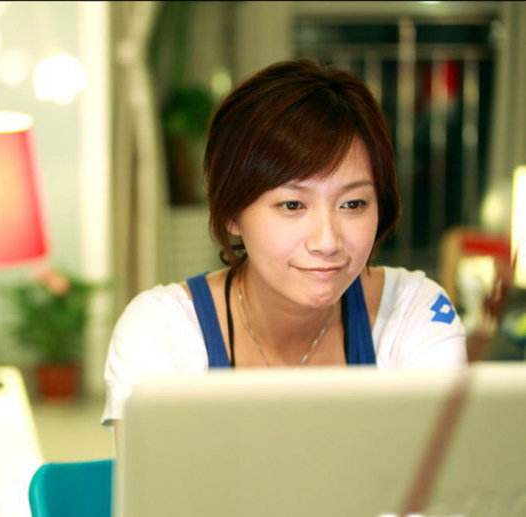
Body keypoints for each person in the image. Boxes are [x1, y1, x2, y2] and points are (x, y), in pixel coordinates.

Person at [101, 59, 466, 428]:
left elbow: (445, 462)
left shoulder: (409, 312)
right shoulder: (162, 331)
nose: (327, 241)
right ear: (231, 213)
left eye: (353, 204)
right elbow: (152, 469)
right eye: (292, 205)